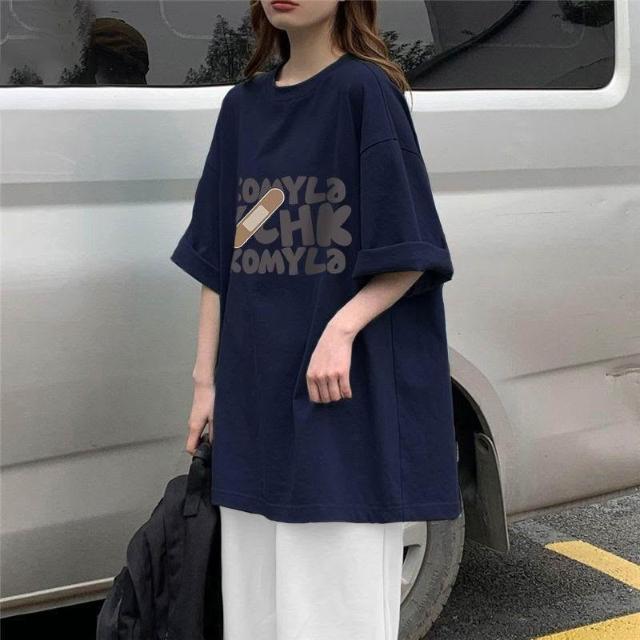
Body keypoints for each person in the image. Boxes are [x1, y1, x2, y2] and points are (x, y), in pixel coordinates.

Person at [170, 1, 462, 638]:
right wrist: (204, 381)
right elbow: (220, 257)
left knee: (333, 613)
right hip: (254, 404)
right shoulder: (242, 109)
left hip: (338, 403)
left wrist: (341, 328)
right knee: (255, 613)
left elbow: (411, 247)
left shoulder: (365, 91)